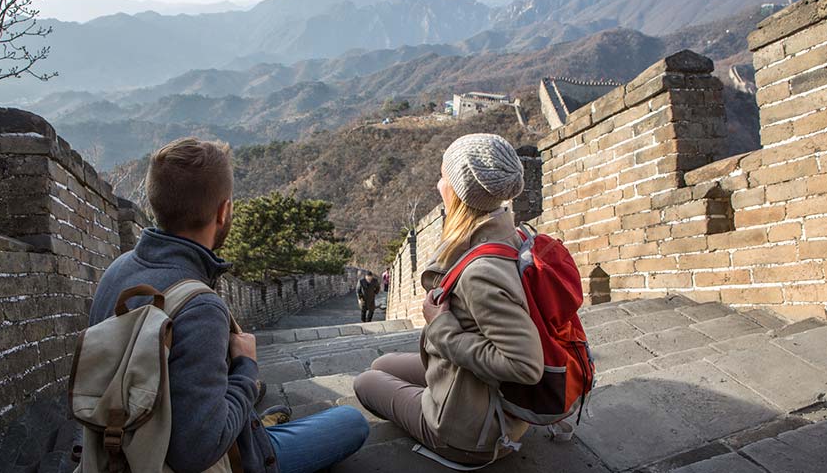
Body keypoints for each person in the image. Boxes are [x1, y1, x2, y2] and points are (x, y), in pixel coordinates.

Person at [89, 137, 369, 473]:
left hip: (121, 446)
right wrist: (246, 368)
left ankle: (254, 422)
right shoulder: (200, 308)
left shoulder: (116, 271)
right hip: (209, 461)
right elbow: (195, 453)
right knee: (352, 421)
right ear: (223, 212)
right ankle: (259, 432)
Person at [353, 134, 543, 467]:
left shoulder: (480, 272)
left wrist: (442, 327)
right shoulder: (513, 235)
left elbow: (524, 366)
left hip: (473, 433)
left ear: (456, 190)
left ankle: (446, 428)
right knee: (381, 366)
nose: (438, 184)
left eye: (443, 176)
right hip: (474, 387)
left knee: (365, 382)